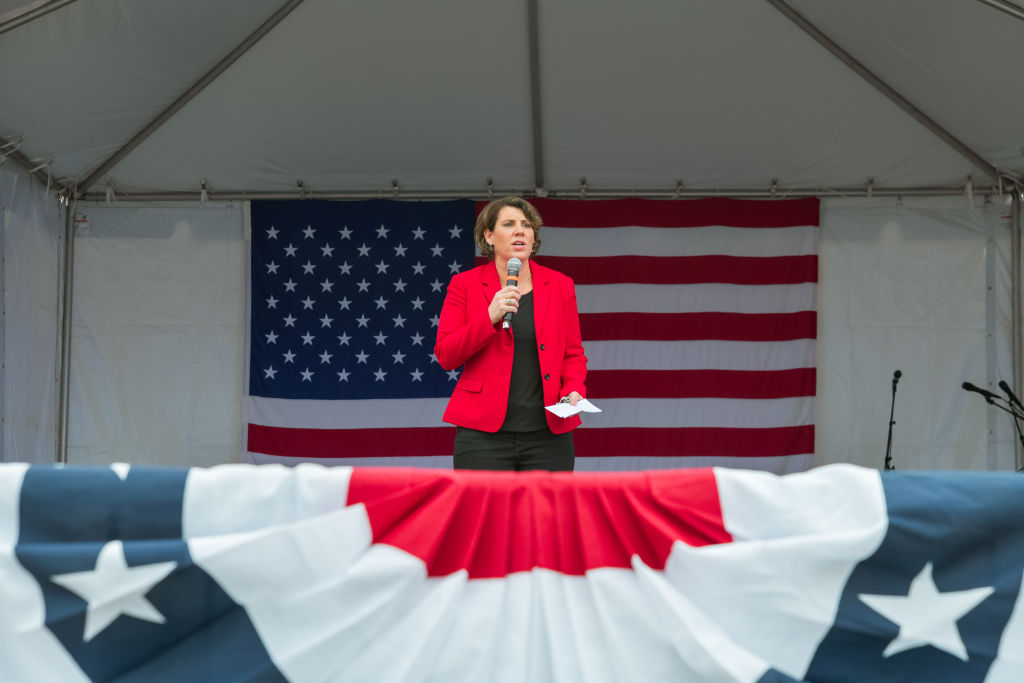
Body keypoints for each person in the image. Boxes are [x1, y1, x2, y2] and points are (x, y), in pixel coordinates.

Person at [434, 196, 588, 471]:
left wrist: (573, 390)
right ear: (489, 236)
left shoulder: (560, 285)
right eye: (509, 224)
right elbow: (447, 355)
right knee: (483, 515)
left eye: (526, 225)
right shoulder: (465, 285)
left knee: (545, 515)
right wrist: (490, 316)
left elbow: (572, 353)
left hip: (548, 436)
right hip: (482, 434)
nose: (520, 231)